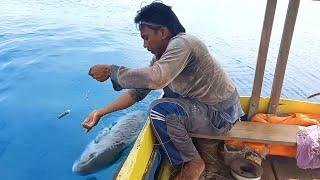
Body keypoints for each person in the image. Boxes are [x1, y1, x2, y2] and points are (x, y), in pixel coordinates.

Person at [82, 2, 244, 179]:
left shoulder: (184, 43)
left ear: (163, 32)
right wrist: (101, 112)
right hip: (210, 112)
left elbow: (157, 78)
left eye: (146, 37)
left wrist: (111, 71)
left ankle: (192, 162)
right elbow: (137, 92)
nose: (144, 45)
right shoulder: (164, 58)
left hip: (220, 115)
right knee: (165, 102)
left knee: (160, 110)